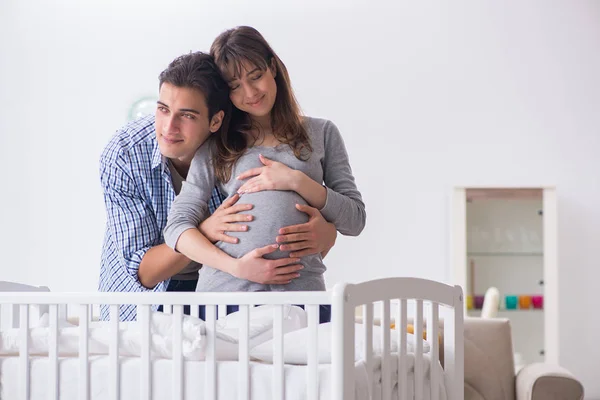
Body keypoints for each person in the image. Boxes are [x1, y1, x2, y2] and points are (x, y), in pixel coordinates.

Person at [98, 51, 337, 321]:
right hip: (146, 302)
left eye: (186, 116)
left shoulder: (241, 147)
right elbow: (145, 273)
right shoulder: (126, 153)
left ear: (216, 120)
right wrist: (206, 232)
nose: (169, 127)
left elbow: (279, 229)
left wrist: (327, 233)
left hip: (221, 289)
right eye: (163, 109)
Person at [164, 26, 366, 323]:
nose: (250, 93)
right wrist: (237, 268)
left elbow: (355, 220)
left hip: (302, 299)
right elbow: (176, 229)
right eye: (234, 85)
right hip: (227, 297)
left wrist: (297, 181)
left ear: (272, 67)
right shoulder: (217, 144)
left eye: (255, 76)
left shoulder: (321, 133)